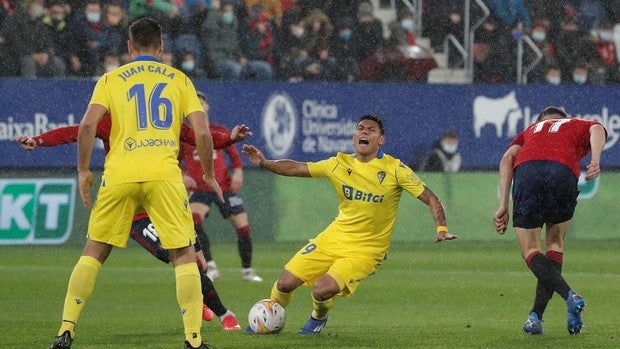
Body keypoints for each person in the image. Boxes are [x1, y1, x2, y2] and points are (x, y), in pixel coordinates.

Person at [48, 18, 221, 349]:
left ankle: (66, 330)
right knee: (184, 254)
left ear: (129, 48)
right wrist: (210, 175)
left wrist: (83, 170)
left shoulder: (111, 79)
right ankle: (194, 340)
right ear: (161, 48)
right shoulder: (179, 79)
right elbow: (201, 132)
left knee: (94, 252)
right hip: (163, 174)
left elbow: (86, 127)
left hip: (120, 173)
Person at [14, 111, 252, 331]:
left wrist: (229, 138)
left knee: (195, 260)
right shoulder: (115, 119)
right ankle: (213, 310)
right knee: (168, 251)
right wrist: (39, 140)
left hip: (165, 199)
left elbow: (200, 136)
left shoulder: (164, 122)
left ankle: (217, 310)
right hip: (134, 208)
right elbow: (76, 131)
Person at [242, 114, 457, 334]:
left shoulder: (395, 169)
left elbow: (431, 198)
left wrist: (441, 228)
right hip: (333, 238)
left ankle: (318, 316)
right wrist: (266, 163)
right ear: (354, 136)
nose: (364, 132)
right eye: (360, 128)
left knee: (321, 290)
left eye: (371, 130)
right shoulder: (339, 163)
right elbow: (298, 168)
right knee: (284, 284)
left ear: (381, 139)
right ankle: (267, 318)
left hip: (365, 251)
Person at [493, 107, 607, 335]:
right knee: (554, 244)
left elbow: (507, 159)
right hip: (563, 172)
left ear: (540, 121)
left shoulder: (530, 129)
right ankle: (536, 317)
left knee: (530, 249)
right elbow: (597, 128)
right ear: (563, 119)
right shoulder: (575, 123)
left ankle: (569, 296)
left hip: (529, 171)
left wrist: (504, 204)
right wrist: (595, 159)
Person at [182, 91, 263, 282]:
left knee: (243, 228)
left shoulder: (217, 130)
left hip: (223, 187)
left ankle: (248, 271)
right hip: (199, 189)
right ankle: (210, 266)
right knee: (194, 220)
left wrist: (238, 172)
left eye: (201, 102)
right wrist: (183, 175)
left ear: (207, 106)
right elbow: (174, 161)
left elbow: (235, 157)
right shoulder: (185, 135)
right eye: (195, 103)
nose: (199, 105)